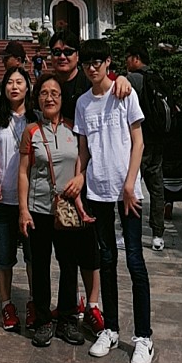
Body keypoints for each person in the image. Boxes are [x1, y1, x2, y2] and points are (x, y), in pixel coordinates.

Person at [75, 39, 154, 363]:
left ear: (108, 62)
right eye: (87, 63)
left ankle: (144, 337)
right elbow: (83, 150)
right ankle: (110, 328)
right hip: (97, 190)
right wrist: (80, 190)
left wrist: (129, 184)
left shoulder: (124, 93)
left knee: (134, 261)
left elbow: (138, 141)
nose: (93, 68)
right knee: (106, 259)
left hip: (127, 192)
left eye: (98, 61)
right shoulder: (82, 103)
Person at [48, 30, 131, 334]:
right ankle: (70, 306)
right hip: (59, 176)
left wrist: (124, 78)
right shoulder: (50, 85)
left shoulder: (87, 85)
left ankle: (93, 304)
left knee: (90, 246)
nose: (62, 56)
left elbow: (112, 88)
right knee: (65, 245)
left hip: (88, 177)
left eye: (68, 51)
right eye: (56, 51)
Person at [18, 73, 92, 348]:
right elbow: (23, 173)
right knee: (40, 265)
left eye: (55, 93)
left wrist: (80, 179)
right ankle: (42, 320)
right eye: (44, 93)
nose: (49, 98)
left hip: (68, 209)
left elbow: (83, 161)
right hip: (39, 208)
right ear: (37, 98)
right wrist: (23, 210)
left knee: (69, 264)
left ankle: (67, 318)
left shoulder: (74, 129)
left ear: (62, 99)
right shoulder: (31, 131)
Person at [0, 66, 36, 334]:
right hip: (4, 197)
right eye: (9, 82)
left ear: (28, 87)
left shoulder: (36, 118)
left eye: (19, 82)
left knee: (32, 256)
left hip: (33, 201)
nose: (14, 87)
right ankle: (6, 303)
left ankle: (32, 301)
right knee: (3, 256)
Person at [125, 44, 167, 252]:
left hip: (139, 140)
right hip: (157, 139)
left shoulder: (135, 79)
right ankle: (158, 234)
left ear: (136, 58)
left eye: (128, 57)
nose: (127, 62)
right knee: (157, 189)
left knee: (131, 186)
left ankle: (130, 232)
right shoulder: (157, 77)